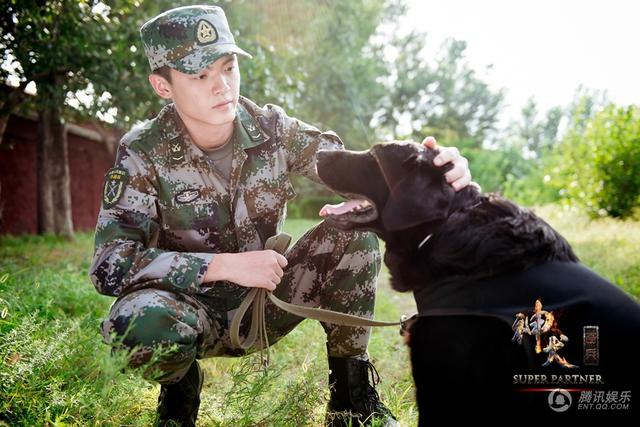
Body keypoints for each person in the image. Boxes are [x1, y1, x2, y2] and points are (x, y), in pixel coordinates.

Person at [89, 5, 472, 427]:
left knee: (353, 234)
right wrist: (227, 266)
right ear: (163, 85)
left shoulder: (271, 128)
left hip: (270, 301)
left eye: (228, 67)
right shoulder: (143, 152)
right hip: (187, 310)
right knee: (135, 324)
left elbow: (353, 169)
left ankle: (351, 402)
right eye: (200, 76)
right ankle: (179, 395)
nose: (222, 87)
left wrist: (432, 170)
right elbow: (110, 264)